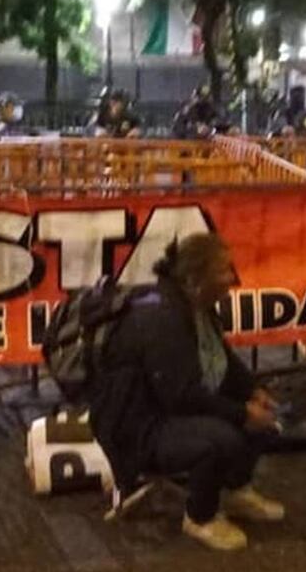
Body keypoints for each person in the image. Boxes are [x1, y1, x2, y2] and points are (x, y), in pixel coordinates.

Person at [89, 233, 284, 551]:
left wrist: (253, 391)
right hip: (138, 427)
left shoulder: (196, 305)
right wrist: (243, 412)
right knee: (222, 438)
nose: (232, 278)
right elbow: (181, 396)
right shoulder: (164, 319)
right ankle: (200, 517)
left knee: (265, 421)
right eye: (223, 270)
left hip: (167, 409)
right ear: (197, 277)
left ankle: (236, 491)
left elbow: (222, 357)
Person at [172, 85, 238, 139]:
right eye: (201, 98)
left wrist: (228, 129)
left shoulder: (211, 108)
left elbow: (218, 124)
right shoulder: (185, 110)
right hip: (185, 146)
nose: (204, 101)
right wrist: (195, 129)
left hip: (207, 147)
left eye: (207, 98)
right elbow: (178, 129)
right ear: (194, 97)